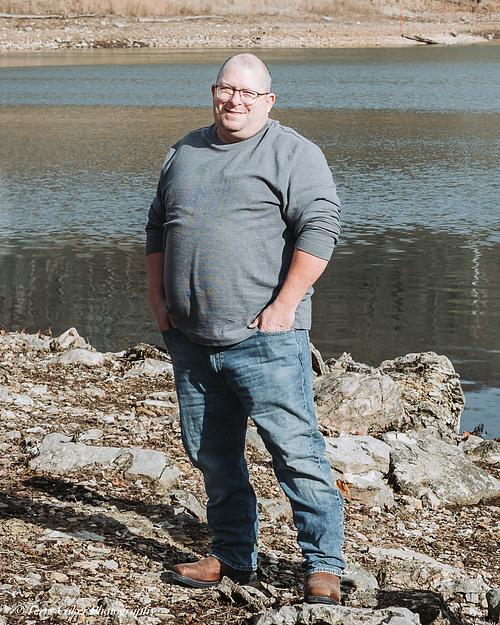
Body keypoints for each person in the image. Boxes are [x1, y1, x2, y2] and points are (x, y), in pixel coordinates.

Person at [145, 53, 344, 604]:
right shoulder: (184, 150)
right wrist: (157, 298)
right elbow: (158, 226)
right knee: (212, 455)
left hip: (266, 340)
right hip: (191, 340)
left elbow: (321, 229)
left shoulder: (294, 154)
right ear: (214, 91)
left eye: (247, 93)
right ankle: (233, 556)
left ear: (268, 101)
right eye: (226, 89)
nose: (234, 101)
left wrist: (285, 305)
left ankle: (323, 564)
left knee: (296, 452)